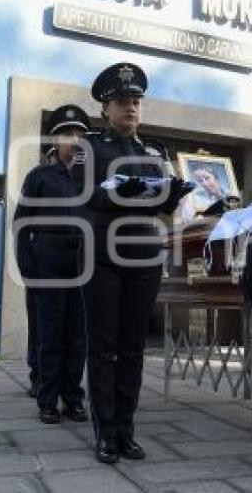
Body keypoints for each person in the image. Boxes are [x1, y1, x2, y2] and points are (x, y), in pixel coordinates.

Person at [80, 62, 192, 464]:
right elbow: (83, 198)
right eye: (123, 102)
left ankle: (126, 430)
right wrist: (118, 193)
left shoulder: (154, 151)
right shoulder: (89, 148)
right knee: (103, 346)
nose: (131, 108)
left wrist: (171, 195)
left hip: (144, 255)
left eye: (136, 101)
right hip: (104, 257)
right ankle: (105, 432)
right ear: (105, 108)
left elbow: (158, 206)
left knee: (133, 348)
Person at [13, 105, 91, 416]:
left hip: (82, 261)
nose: (75, 140)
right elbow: (21, 222)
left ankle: (73, 396)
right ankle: (47, 400)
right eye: (68, 134)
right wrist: (25, 262)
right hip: (48, 259)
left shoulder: (90, 177)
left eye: (80, 135)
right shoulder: (40, 176)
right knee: (50, 331)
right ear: (55, 140)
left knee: (78, 333)